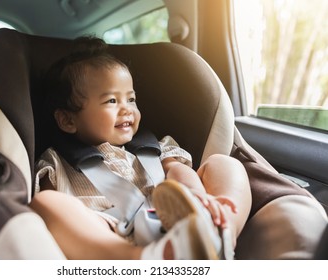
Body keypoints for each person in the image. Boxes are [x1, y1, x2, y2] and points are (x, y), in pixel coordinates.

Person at [29, 36, 252, 260]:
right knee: (45, 202)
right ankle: (140, 258)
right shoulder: (56, 162)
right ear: (68, 120)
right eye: (111, 101)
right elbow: (58, 210)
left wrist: (194, 195)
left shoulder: (155, 147)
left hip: (176, 216)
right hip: (110, 231)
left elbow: (177, 170)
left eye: (131, 99)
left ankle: (222, 230)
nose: (127, 109)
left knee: (224, 163)